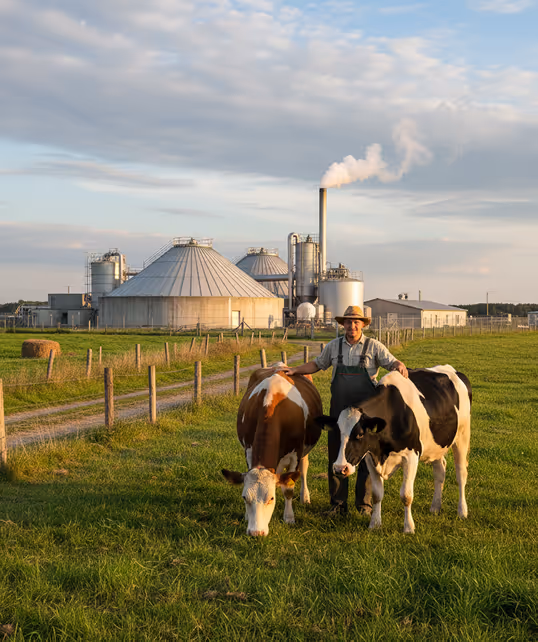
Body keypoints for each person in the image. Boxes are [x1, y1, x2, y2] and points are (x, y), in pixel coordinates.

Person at [281, 305, 408, 516]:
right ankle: (338, 505)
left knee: (365, 456)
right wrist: (295, 370)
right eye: (348, 322)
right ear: (343, 324)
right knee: (336, 456)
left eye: (356, 322)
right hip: (340, 413)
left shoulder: (374, 346)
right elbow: (317, 364)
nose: (352, 326)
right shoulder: (333, 346)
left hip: (365, 416)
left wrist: (399, 364)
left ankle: (364, 505)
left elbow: (391, 361)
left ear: (362, 324)